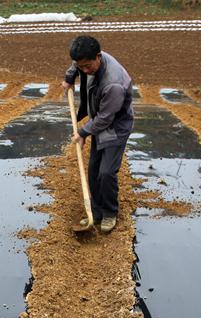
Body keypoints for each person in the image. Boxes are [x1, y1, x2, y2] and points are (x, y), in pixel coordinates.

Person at [61, 35, 134, 233]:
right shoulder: (87, 59)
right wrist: (69, 78)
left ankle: (110, 213)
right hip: (100, 120)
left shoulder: (113, 83)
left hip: (116, 126)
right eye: (81, 66)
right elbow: (76, 65)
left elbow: (105, 118)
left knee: (106, 172)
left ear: (98, 57)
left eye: (87, 66)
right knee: (94, 170)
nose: (84, 71)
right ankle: (96, 211)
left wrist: (83, 132)